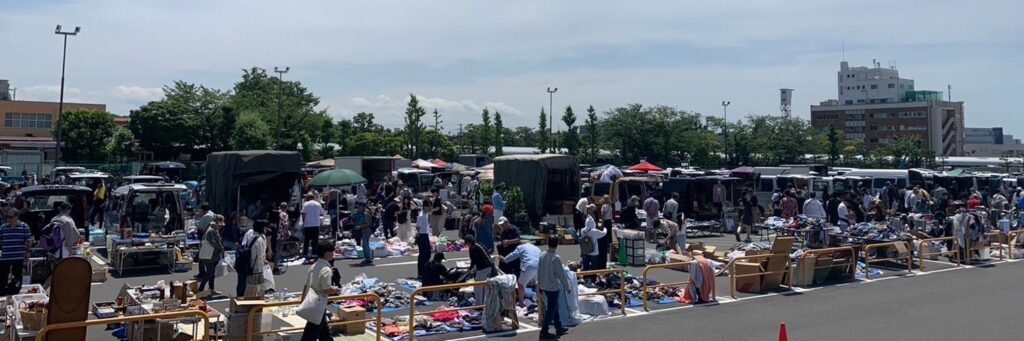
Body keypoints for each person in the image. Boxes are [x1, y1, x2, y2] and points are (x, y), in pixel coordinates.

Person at [300, 241, 341, 341]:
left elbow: (306, 285)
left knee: (323, 332)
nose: (333, 254)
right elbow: (327, 289)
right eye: (332, 251)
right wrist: (336, 289)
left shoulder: (313, 266)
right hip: (319, 303)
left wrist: (302, 301)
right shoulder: (326, 269)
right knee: (311, 334)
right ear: (327, 253)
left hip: (311, 301)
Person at [537, 236, 571, 339]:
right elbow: (561, 275)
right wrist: (567, 287)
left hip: (544, 285)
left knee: (554, 306)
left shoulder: (542, 255)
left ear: (548, 243)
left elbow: (539, 270)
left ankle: (558, 326)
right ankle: (544, 330)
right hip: (553, 286)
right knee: (551, 309)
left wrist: (539, 285)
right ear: (557, 245)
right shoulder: (555, 258)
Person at [501, 237, 540, 306]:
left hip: (529, 266)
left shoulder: (521, 247)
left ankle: (521, 303)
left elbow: (513, 255)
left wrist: (505, 259)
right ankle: (539, 302)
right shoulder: (536, 248)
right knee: (537, 284)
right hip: (539, 265)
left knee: (521, 285)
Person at [0, 209, 31, 296]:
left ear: (17, 217)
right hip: (5, 257)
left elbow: (29, 241)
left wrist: (28, 252)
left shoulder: (25, 227)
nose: (8, 219)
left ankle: (13, 294)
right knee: (2, 278)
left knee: (16, 278)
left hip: (18, 257)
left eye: (10, 217)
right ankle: (2, 295)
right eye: (7, 217)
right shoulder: (3, 228)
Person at [239, 220, 269, 298]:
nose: (266, 230)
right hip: (256, 267)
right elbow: (260, 255)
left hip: (249, 264)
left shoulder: (251, 236)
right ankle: (249, 303)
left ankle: (246, 302)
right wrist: (264, 260)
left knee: (249, 286)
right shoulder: (259, 239)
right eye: (265, 228)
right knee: (253, 287)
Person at [198, 214, 226, 297]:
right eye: (219, 225)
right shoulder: (210, 231)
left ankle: (211, 289)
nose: (220, 227)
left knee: (212, 273)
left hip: (213, 256)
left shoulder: (214, 230)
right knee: (210, 273)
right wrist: (221, 248)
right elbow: (213, 242)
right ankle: (201, 289)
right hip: (209, 255)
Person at [466, 234, 494, 304]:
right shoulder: (479, 244)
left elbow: (473, 260)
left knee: (478, 287)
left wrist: (470, 269)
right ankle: (484, 303)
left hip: (483, 268)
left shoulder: (474, 248)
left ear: (469, 242)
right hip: (489, 267)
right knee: (484, 287)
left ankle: (478, 305)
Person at [580, 205, 606, 271]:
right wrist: (605, 229)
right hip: (594, 251)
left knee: (585, 266)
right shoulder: (594, 231)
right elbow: (604, 233)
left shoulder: (582, 230)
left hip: (585, 251)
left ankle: (586, 279)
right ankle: (593, 279)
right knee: (594, 268)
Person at [300, 194, 323, 259]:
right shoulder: (318, 204)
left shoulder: (306, 204)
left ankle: (305, 253)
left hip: (308, 224)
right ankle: (314, 253)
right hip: (316, 224)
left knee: (306, 240)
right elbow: (321, 213)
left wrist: (303, 222)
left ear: (308, 198)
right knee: (315, 240)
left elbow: (303, 214)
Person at [414, 208, 432, 279]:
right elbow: (417, 226)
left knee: (428, 253)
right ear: (425, 207)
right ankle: (420, 273)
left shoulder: (426, 213)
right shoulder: (421, 215)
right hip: (421, 235)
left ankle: (425, 270)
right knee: (422, 255)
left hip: (426, 234)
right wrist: (417, 236)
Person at [598, 195, 613, 268]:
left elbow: (603, 215)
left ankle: (606, 246)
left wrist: (602, 223)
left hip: (605, 221)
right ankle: (610, 246)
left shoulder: (603, 206)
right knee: (609, 233)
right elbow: (610, 215)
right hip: (609, 221)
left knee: (604, 234)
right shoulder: (610, 206)